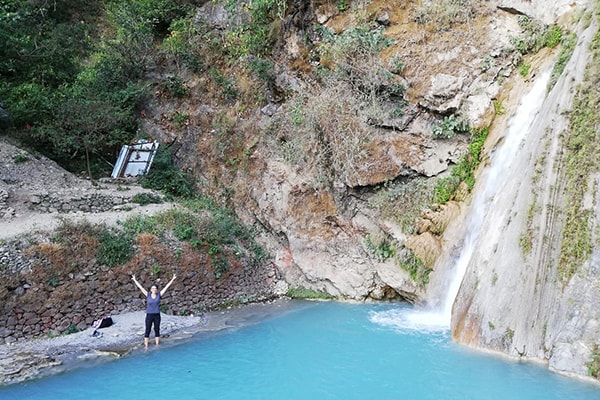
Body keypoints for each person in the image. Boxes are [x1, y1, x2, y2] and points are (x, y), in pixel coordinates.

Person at [131, 274, 177, 348]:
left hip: (157, 315)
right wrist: (135, 280)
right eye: (152, 288)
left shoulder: (159, 295)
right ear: (150, 289)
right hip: (149, 315)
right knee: (148, 329)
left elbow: (166, 287)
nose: (154, 289)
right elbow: (141, 287)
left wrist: (172, 279)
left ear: (156, 289)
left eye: (155, 288)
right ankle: (146, 346)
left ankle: (157, 345)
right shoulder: (148, 295)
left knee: (157, 329)